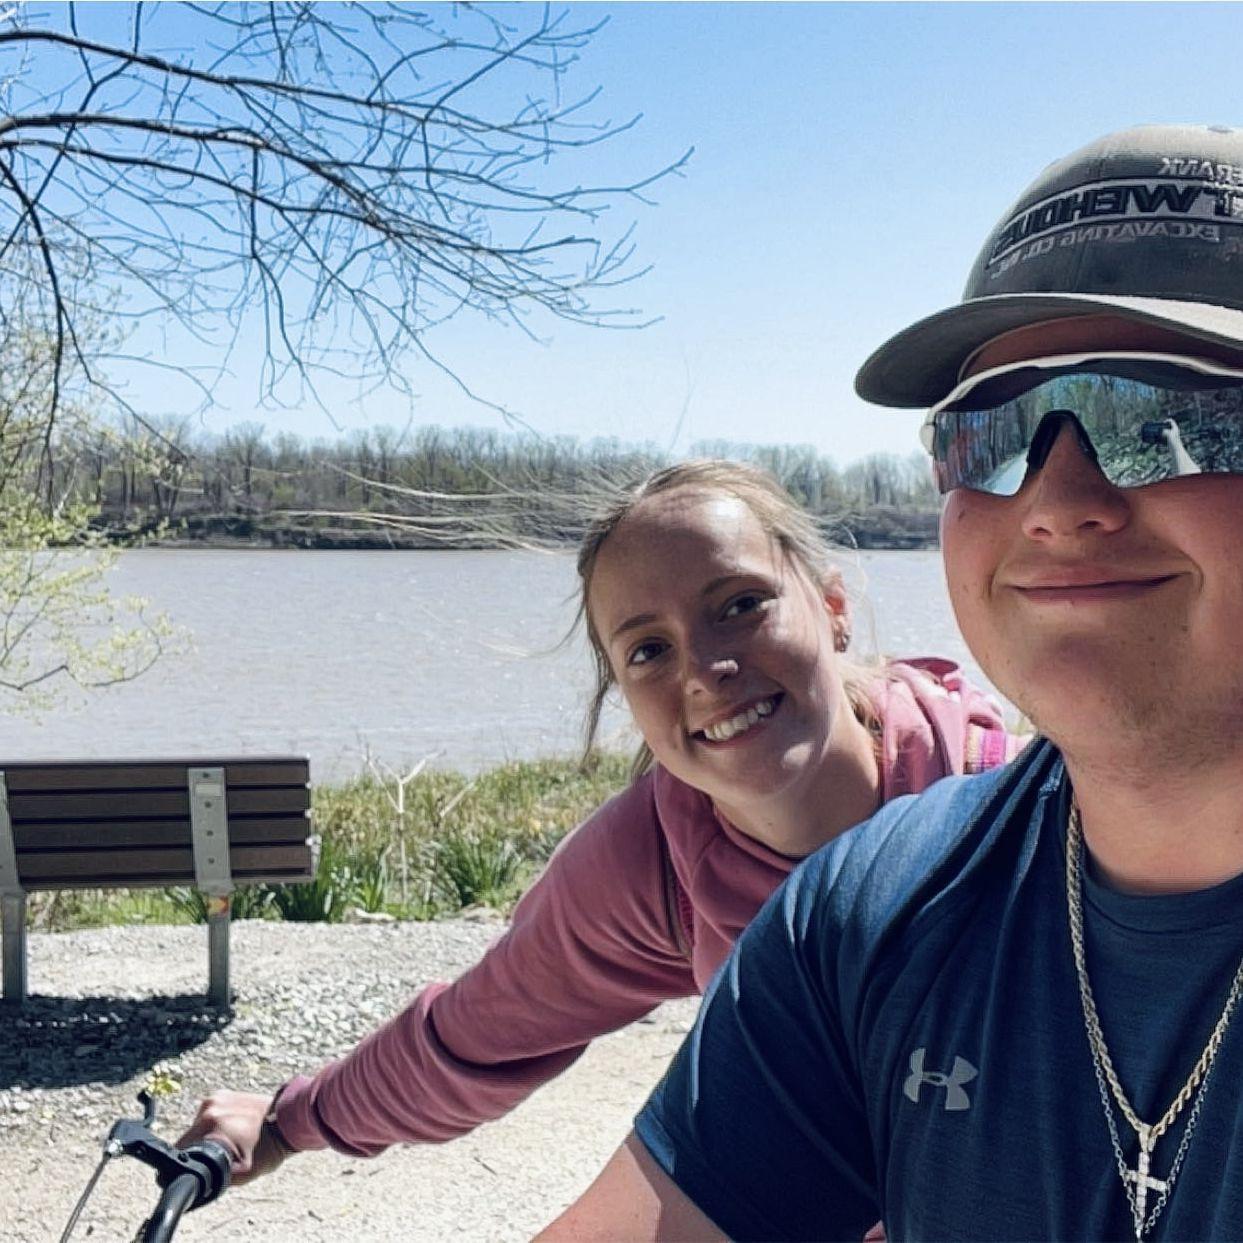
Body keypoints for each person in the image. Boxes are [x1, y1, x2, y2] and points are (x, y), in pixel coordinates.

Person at [540, 123, 1243, 1242]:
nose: (1057, 501)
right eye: (992, 433)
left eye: (1166, 417)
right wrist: (287, 1122)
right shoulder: (868, 910)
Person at [179, 459, 1016, 1183]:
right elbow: (473, 1035)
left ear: (831, 605)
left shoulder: (1015, 798)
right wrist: (291, 1121)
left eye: (739, 603)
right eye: (649, 649)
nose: (707, 670)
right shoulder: (654, 864)